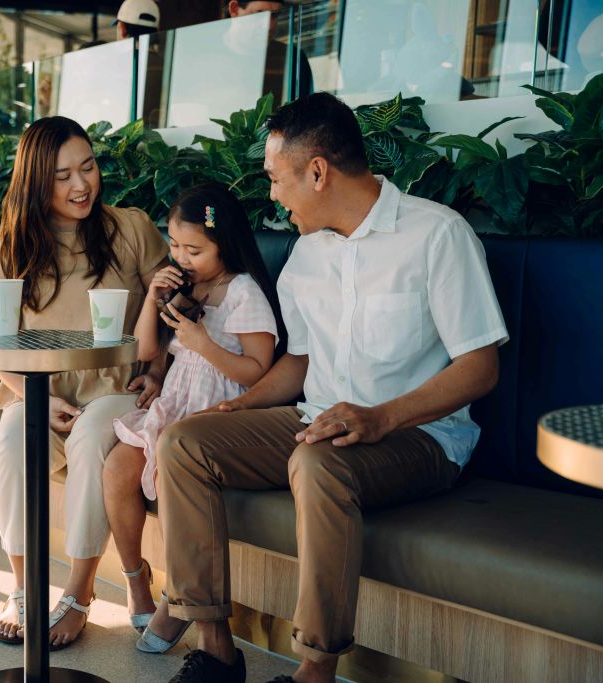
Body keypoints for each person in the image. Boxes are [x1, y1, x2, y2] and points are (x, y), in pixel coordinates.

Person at [152, 92, 508, 683]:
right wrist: (239, 405)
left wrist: (380, 417)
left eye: (274, 178)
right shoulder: (306, 255)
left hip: (420, 437)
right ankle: (216, 651)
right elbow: (299, 362)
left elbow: (480, 367)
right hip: (315, 420)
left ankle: (314, 670)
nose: (270, 195)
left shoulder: (437, 236)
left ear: (317, 172)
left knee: (316, 462)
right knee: (185, 441)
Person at [0, 116, 168, 650]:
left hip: (120, 392)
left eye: (88, 167)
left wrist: (156, 371)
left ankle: (79, 594)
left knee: (91, 439)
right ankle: (21, 588)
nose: (81, 185)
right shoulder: (10, 245)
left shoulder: (130, 228)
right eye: (63, 175)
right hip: (40, 390)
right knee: (13, 436)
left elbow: (173, 310)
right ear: (37, 180)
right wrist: (32, 394)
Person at [102, 183, 282, 648]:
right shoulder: (184, 283)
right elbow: (145, 349)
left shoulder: (243, 292)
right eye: (175, 245)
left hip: (222, 408)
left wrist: (205, 344)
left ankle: (176, 596)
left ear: (227, 243)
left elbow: (258, 372)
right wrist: (150, 296)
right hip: (178, 401)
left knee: (170, 475)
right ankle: (136, 578)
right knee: (119, 468)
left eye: (195, 249)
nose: (182, 257)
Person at [228, 0, 314, 99]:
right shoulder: (208, 50)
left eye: (275, 15)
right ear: (234, 10)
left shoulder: (291, 57)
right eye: (259, 14)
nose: (268, 26)